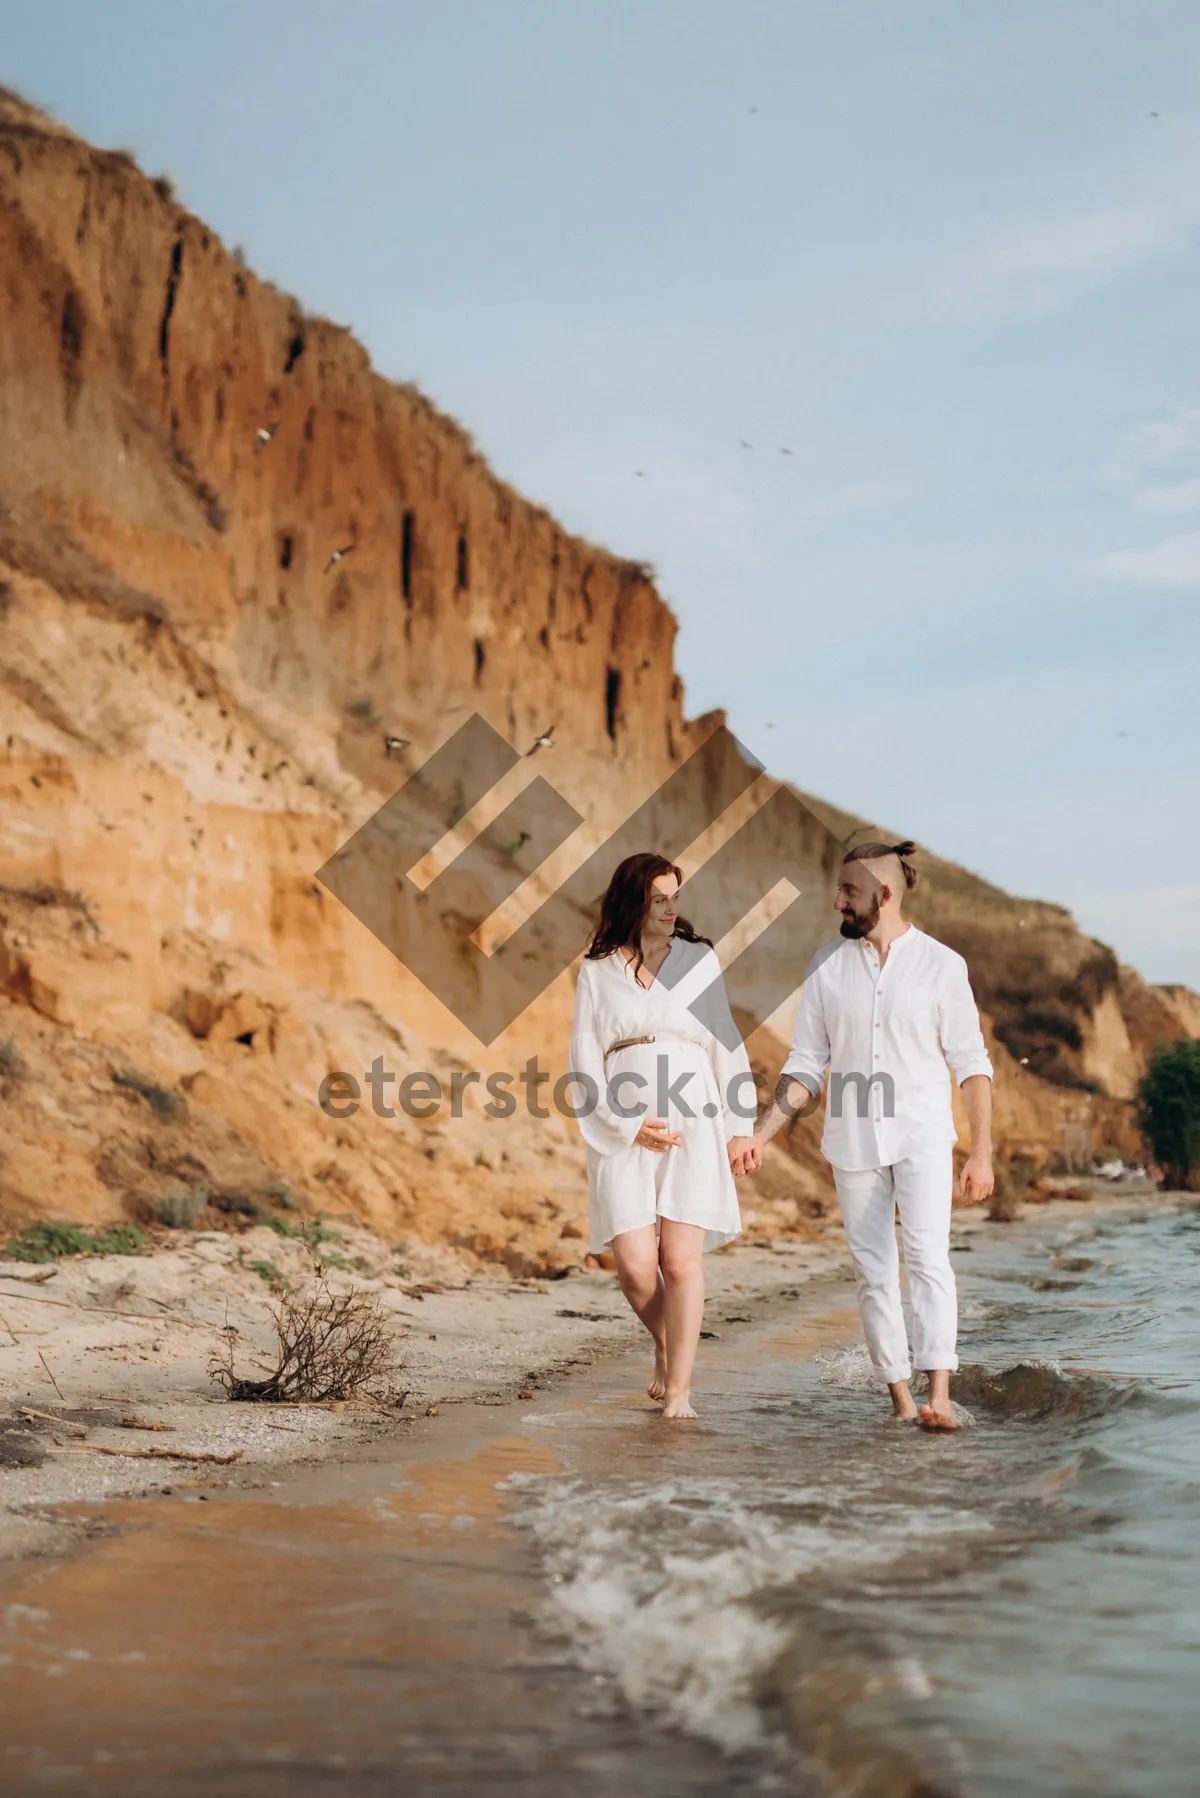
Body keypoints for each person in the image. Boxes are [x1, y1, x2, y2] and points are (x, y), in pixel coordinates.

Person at [735, 841, 994, 1430]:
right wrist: (761, 1134)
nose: (836, 902)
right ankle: (902, 1404)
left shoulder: (942, 966)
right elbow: (806, 1065)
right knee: (872, 1271)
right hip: (852, 1141)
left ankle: (941, 1396)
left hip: (924, 1134)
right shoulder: (826, 966)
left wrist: (981, 1151)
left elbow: (972, 1063)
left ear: (885, 894)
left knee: (928, 1259)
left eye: (848, 892)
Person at [568, 852, 758, 1419]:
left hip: (695, 1120)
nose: (671, 908)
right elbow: (583, 1060)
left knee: (679, 1264)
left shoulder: (698, 959)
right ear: (633, 901)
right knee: (633, 1267)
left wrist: (738, 1127)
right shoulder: (597, 970)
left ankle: (680, 1391)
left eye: (676, 896)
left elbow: (727, 1044)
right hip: (625, 1127)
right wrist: (627, 1125)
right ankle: (669, 1342)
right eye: (659, 898)